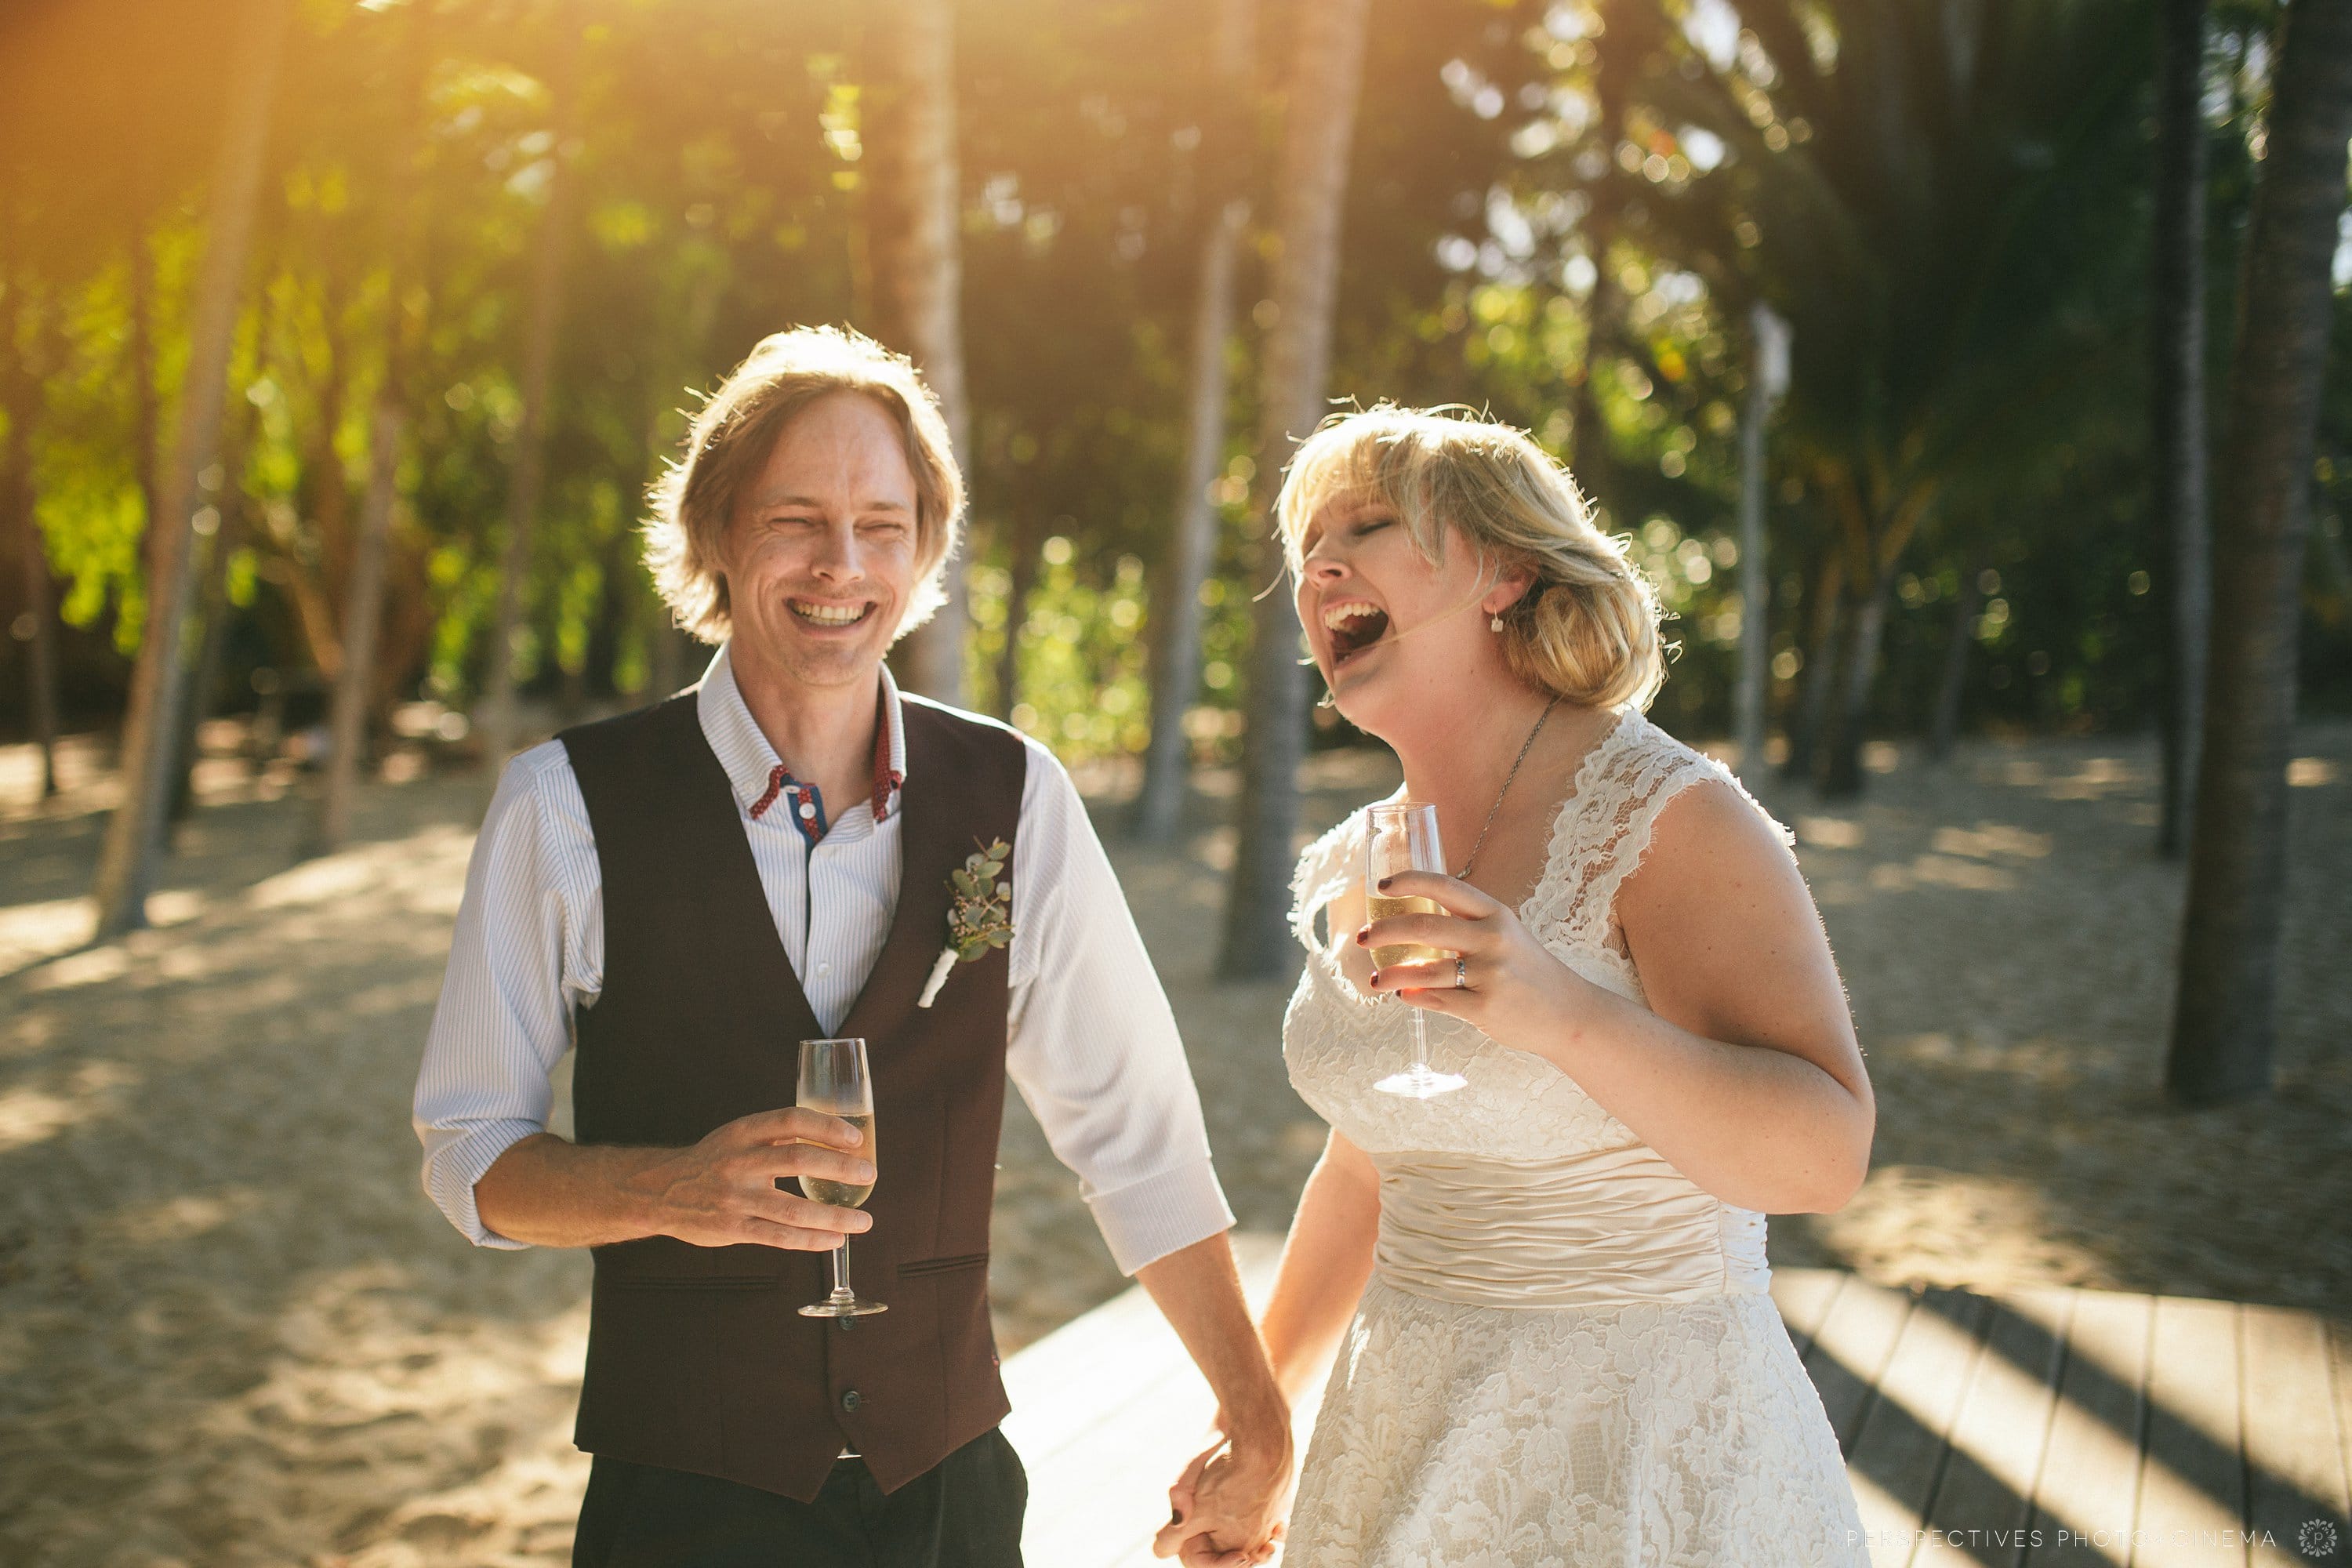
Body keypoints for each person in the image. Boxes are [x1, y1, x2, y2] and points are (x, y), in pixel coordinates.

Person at [412, 325, 1288, 1568]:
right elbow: (470, 1152)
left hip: (950, 1499)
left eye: (883, 524)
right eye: (796, 520)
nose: (842, 564)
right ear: (717, 533)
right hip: (683, 1504)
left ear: (925, 548)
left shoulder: (1015, 794)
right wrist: (666, 1191)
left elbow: (1134, 1136)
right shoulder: (563, 807)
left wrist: (1253, 1415)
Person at [1180, 405, 1874, 1564]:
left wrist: (1565, 1014)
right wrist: (1261, 1422)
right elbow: (1372, 1160)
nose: (1321, 564)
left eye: (1369, 523)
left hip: (1644, 1450)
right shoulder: (1358, 857)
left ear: (1504, 573)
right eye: (1309, 544)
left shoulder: (1671, 818)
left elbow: (1826, 1154)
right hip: (1396, 1447)